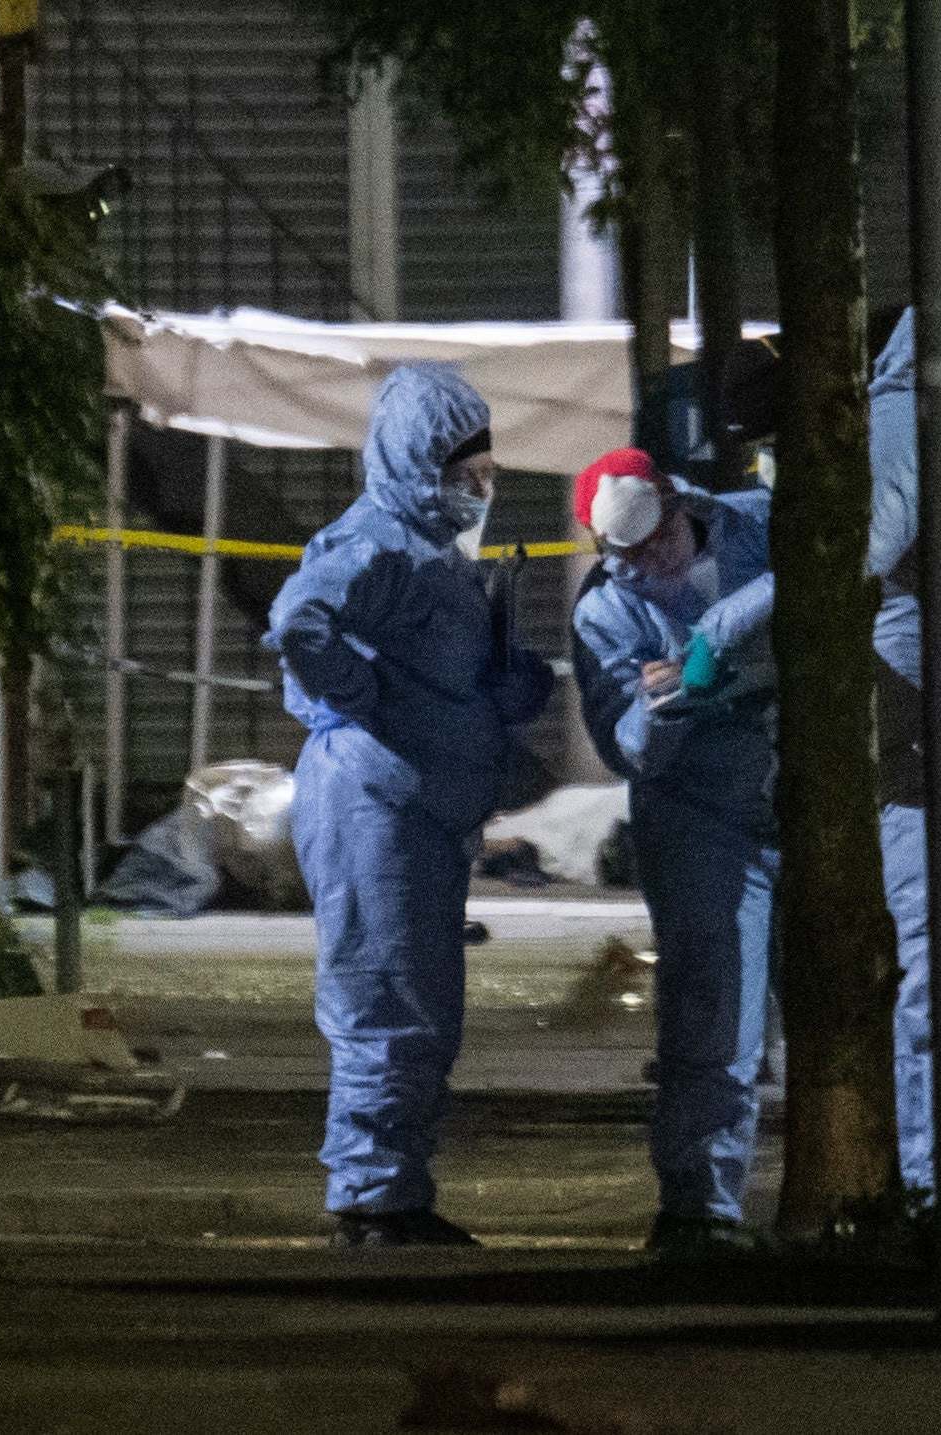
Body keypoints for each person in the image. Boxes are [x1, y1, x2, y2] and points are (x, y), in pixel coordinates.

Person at [265, 364, 555, 1249]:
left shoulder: (429, 553)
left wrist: (502, 691)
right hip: (378, 807)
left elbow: (446, 672)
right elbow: (298, 624)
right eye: (468, 469)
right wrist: (362, 697)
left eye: (487, 468)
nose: (483, 485)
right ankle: (375, 1200)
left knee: (415, 1002)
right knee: (385, 1000)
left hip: (416, 808)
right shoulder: (379, 544)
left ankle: (388, 1189)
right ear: (421, 462)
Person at [569, 447, 778, 1255]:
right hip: (700, 815)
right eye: (627, 556)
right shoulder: (605, 609)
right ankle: (698, 1209)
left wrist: (731, 628)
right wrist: (665, 706)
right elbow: (625, 744)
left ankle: (914, 1185)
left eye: (657, 539)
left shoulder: (755, 524)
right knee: (712, 1012)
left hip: (804, 787)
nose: (651, 561)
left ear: (672, 499)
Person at [867, 307, 934, 1198]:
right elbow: (870, 542)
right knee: (929, 966)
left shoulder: (908, 417)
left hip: (934, 723)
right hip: (919, 734)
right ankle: (930, 1183)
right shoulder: (912, 418)